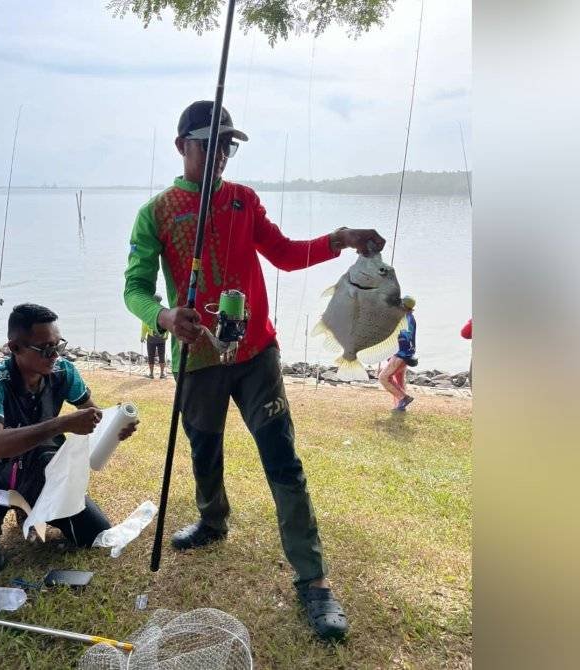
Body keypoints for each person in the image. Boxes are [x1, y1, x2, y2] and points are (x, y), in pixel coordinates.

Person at [123, 100, 385, 641]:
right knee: (204, 447)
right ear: (181, 147)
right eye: (208, 143)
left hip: (256, 354)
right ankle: (212, 518)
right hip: (195, 357)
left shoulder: (244, 200)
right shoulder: (157, 212)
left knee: (282, 460)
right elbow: (135, 287)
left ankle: (313, 580)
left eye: (227, 144)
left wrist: (340, 239)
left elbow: (285, 254)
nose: (220, 154)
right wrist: (166, 316)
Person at [0, 303, 137, 578]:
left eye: (58, 345)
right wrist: (62, 423)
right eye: (45, 349)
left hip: (41, 468)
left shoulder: (63, 371)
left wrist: (115, 427)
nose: (55, 355)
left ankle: (31, 506)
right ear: (14, 347)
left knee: (95, 532)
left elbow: (95, 415)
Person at [377, 296, 418, 412]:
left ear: (404, 306)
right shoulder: (406, 317)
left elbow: (404, 338)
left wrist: (398, 356)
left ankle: (403, 398)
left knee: (383, 377)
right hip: (403, 354)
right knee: (398, 380)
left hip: (401, 355)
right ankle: (399, 405)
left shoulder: (406, 319)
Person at [140, 294, 169, 379]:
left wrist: (142, 336)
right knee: (161, 355)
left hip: (151, 337)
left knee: (151, 355)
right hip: (161, 337)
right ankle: (162, 374)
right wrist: (166, 335)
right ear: (160, 301)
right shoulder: (165, 310)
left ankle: (151, 374)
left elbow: (144, 325)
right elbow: (167, 324)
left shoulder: (148, 310)